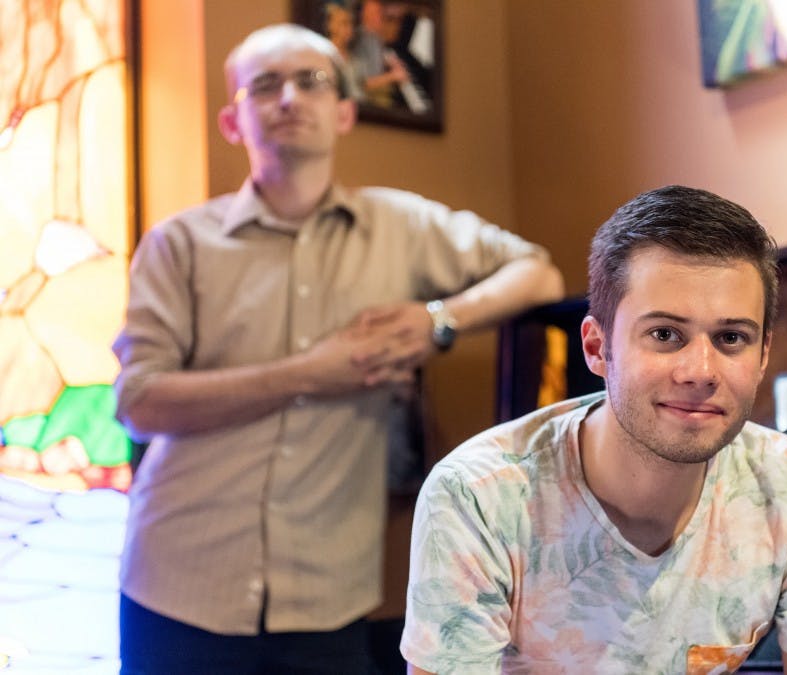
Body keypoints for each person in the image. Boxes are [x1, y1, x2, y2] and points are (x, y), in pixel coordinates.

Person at [112, 22, 563, 674]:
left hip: (329, 597)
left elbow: (538, 272)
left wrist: (440, 319)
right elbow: (139, 401)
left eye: (312, 81)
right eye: (265, 85)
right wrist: (310, 371)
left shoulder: (401, 224)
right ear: (232, 121)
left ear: (345, 111)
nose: (290, 97)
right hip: (177, 584)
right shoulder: (177, 243)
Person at [401, 186, 787, 674]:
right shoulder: (478, 497)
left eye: (731, 338)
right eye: (665, 335)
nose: (701, 371)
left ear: (763, 356)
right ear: (596, 347)